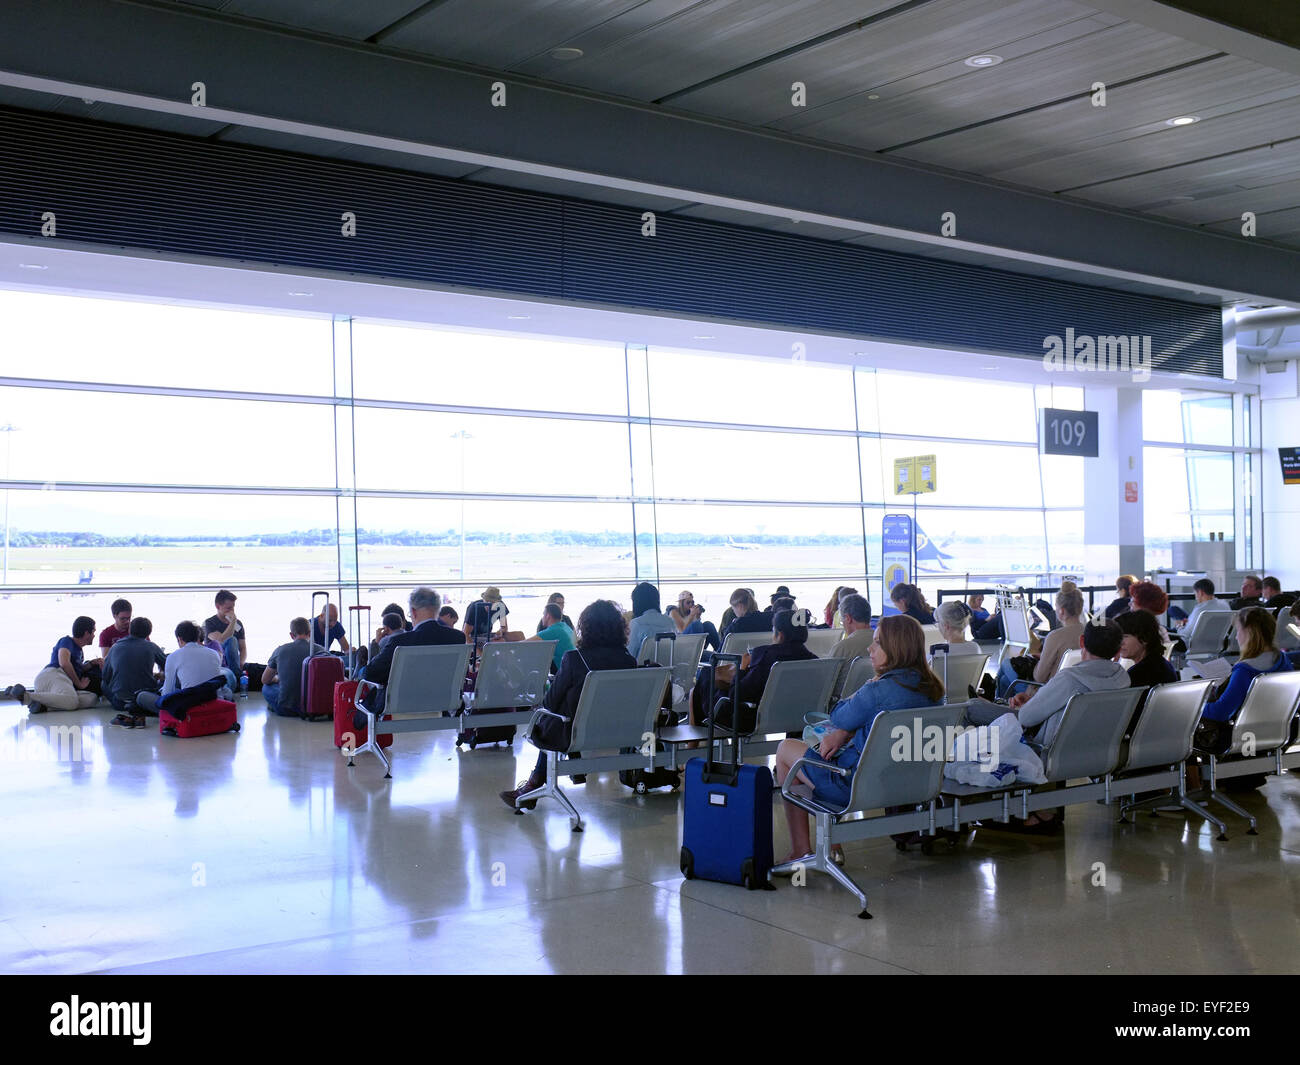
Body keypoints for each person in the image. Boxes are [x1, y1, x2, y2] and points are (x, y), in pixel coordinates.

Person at [773, 615, 943, 861]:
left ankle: (803, 848)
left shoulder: (877, 690)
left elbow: (838, 716)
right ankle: (830, 845)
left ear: (894, 648)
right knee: (824, 761)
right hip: (911, 786)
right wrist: (846, 732)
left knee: (786, 750)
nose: (869, 648)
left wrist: (846, 726)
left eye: (877, 643)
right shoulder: (935, 690)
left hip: (856, 787)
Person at [501, 599, 638, 809]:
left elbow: (549, 703)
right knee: (571, 709)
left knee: (556, 715)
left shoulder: (575, 659)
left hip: (576, 735)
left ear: (586, 628)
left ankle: (534, 783)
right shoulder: (629, 660)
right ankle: (536, 782)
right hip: (616, 732)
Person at [698, 608, 818, 731]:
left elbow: (737, 694)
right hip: (799, 719)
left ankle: (695, 740)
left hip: (751, 720)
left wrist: (743, 668)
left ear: (780, 635)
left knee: (706, 675)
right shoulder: (814, 660)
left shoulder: (767, 656)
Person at [365, 587, 466, 712]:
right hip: (445, 706)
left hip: (402, 708)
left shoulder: (400, 642)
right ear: (437, 610)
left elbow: (370, 674)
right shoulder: (457, 637)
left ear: (413, 612)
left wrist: (376, 644)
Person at [1202, 608, 1294, 724]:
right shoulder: (1283, 660)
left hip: (1246, 736)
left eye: (1238, 631)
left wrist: (1194, 707)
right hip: (1282, 733)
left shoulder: (1244, 670)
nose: (1236, 637)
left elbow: (1221, 712)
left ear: (1249, 632)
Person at [136, 621, 227, 714]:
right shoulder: (214, 653)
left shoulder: (174, 656)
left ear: (179, 639)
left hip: (189, 708)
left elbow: (167, 692)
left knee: (142, 696)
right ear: (197, 636)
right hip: (215, 703)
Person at [16, 616, 102, 714]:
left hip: (60, 685)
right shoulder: (67, 641)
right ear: (87, 633)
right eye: (93, 632)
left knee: (92, 699)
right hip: (53, 675)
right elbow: (64, 663)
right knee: (72, 702)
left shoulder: (79, 651)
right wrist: (79, 684)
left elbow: (77, 669)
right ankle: (26, 696)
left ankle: (43, 706)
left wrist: (91, 663)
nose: (94, 635)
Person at [102, 617, 166, 721]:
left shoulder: (115, 647)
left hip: (120, 702)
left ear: (130, 630)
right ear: (148, 633)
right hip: (144, 699)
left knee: (103, 683)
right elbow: (169, 666)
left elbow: (105, 675)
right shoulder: (151, 646)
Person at [263, 617, 312, 717]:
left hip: (287, 708)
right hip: (313, 706)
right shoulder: (321, 650)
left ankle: (275, 705)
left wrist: (277, 679)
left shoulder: (280, 650)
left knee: (266, 687)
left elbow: (265, 679)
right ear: (310, 633)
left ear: (291, 635)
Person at [1116, 610, 1178, 688]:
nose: (1120, 642)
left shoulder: (1138, 673)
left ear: (1144, 638)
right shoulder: (1164, 665)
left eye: (1125, 637)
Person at [626, 582, 675, 659]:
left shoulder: (636, 623)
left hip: (643, 670)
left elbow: (630, 655)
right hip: (667, 669)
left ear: (636, 602)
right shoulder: (670, 622)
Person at [204, 590, 247, 676]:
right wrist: (233, 622)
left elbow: (243, 648)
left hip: (235, 663)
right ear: (218, 606)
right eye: (228, 608)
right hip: (217, 664)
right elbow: (221, 640)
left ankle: (236, 673)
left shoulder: (238, 624)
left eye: (233, 607)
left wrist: (241, 663)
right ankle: (237, 675)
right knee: (231, 640)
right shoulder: (209, 623)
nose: (232, 611)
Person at [528, 602, 577, 671]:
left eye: (543, 614)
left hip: (569, 675)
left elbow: (522, 645)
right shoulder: (565, 627)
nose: (542, 618)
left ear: (548, 616)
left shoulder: (553, 631)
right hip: (577, 670)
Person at [828, 594, 874, 661]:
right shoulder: (885, 641)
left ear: (848, 618)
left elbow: (827, 671)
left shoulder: (842, 648)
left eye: (842, 621)